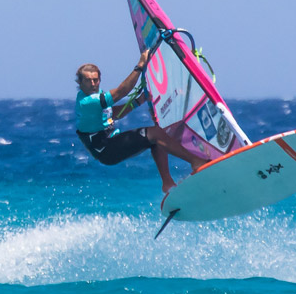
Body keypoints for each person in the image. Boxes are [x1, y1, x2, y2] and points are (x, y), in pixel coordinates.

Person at [74, 50, 214, 193]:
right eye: (87, 80)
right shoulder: (87, 102)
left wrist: (138, 101)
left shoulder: (96, 96)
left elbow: (113, 113)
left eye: (95, 80)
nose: (92, 84)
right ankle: (196, 162)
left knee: (155, 137)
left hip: (111, 143)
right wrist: (140, 65)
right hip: (106, 150)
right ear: (80, 82)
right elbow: (120, 92)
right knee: (155, 134)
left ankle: (168, 184)